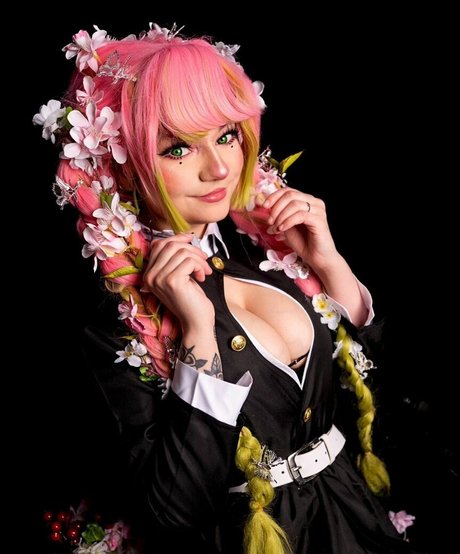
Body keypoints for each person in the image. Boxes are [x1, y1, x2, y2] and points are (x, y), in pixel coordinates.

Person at [33, 23, 418, 554]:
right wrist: (196, 330)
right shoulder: (113, 316)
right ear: (122, 164)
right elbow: (175, 509)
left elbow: (390, 395)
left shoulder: (264, 244)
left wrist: (330, 265)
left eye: (226, 136)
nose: (217, 168)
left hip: (349, 520)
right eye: (178, 149)